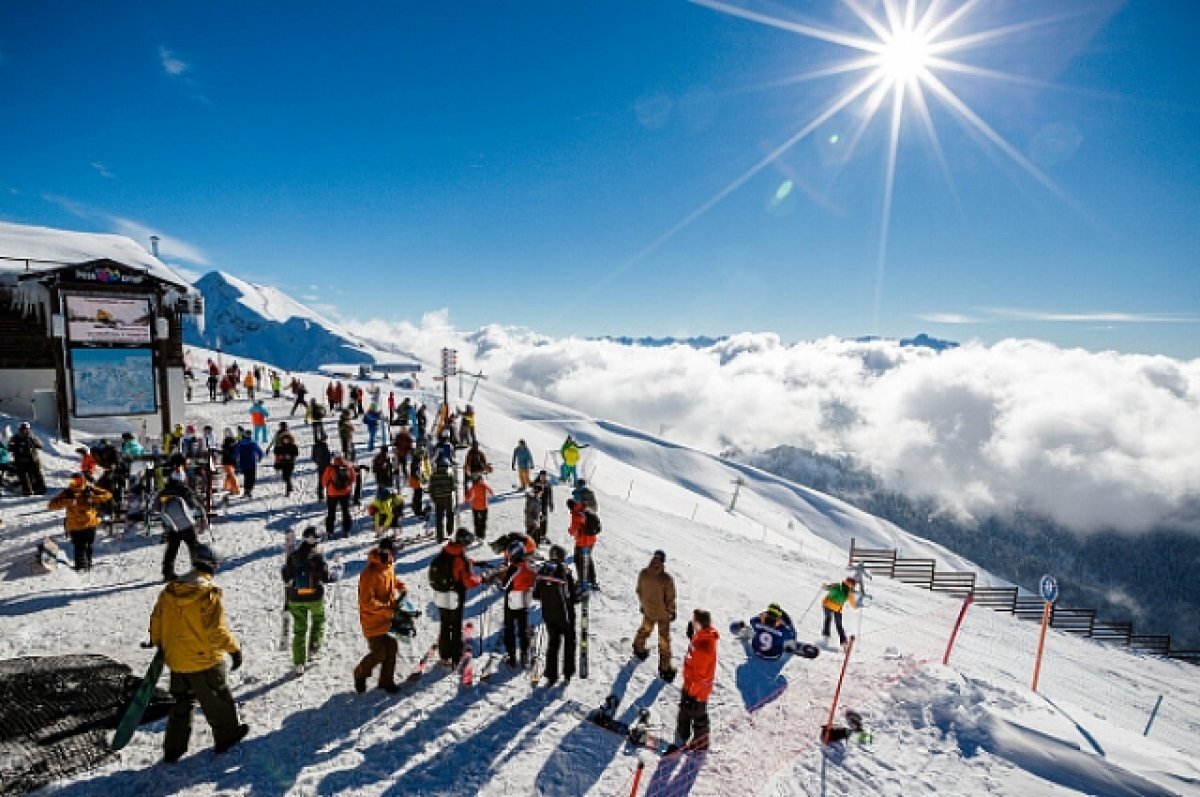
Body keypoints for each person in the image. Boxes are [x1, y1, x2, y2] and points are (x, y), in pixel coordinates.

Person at [149, 544, 248, 762]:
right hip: (204, 661)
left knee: (181, 704)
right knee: (218, 699)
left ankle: (173, 749)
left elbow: (156, 621)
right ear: (213, 565)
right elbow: (215, 631)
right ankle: (227, 736)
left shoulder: (171, 589)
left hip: (176, 660)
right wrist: (234, 649)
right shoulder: (208, 593)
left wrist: (160, 644)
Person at [282, 527, 337, 675]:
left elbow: (286, 576)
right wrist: (335, 576)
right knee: (318, 619)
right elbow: (326, 578)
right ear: (317, 540)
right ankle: (314, 647)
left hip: (295, 597)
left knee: (299, 630)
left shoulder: (293, 555)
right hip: (314, 596)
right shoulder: (318, 556)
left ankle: (299, 663)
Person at [354, 537, 404, 693]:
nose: (395, 555)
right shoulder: (368, 574)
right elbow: (367, 602)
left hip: (388, 616)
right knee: (379, 653)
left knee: (392, 648)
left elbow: (391, 579)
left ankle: (386, 681)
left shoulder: (388, 565)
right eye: (393, 552)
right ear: (385, 552)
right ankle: (360, 673)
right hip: (373, 620)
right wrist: (387, 609)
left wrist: (400, 586)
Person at [433, 528, 484, 666]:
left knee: (445, 623)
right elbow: (469, 581)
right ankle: (455, 656)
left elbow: (454, 565)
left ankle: (444, 655)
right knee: (455, 625)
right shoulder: (462, 560)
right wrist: (481, 579)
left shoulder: (445, 551)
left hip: (441, 593)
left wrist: (472, 563)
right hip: (455, 596)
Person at [47, 474, 112, 571]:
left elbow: (108, 495)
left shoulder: (90, 489)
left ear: (83, 480)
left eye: (79, 480)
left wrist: (93, 499)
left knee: (89, 545)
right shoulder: (67, 492)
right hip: (75, 525)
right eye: (74, 481)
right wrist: (67, 502)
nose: (77, 483)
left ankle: (87, 564)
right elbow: (51, 505)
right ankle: (80, 566)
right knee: (79, 546)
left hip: (90, 523)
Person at [675, 609, 718, 751]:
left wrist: (692, 695)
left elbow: (700, 677)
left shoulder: (703, 648)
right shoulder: (702, 636)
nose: (692, 623)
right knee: (684, 711)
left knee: (698, 716)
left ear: (699, 624)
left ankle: (700, 744)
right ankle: (682, 733)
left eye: (694, 621)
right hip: (690, 683)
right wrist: (693, 637)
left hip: (697, 690)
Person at [535, 544, 577, 685]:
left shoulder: (543, 570)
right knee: (569, 641)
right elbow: (572, 596)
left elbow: (536, 594)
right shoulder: (565, 572)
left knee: (553, 642)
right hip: (565, 615)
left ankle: (551, 675)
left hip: (548, 614)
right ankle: (567, 672)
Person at [633, 549, 677, 681]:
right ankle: (665, 668)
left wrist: (643, 605)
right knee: (664, 640)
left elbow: (639, 591)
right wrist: (671, 611)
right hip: (662, 614)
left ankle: (639, 648)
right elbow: (670, 598)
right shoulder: (666, 579)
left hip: (648, 611)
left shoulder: (643, 573)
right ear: (663, 561)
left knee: (645, 629)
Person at [158, 471, 205, 581]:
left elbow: (158, 507)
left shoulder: (163, 492)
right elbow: (193, 504)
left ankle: (167, 572)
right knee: (193, 545)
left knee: (172, 548)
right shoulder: (184, 490)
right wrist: (200, 515)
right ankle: (197, 569)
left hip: (171, 524)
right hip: (186, 523)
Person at [499, 541, 537, 667]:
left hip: (512, 602)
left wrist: (501, 577)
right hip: (525, 600)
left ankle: (512, 657)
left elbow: (504, 586)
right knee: (523, 629)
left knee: (509, 629)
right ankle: (524, 654)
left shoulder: (514, 568)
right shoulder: (528, 566)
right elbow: (533, 579)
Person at [566, 499, 599, 587]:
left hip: (582, 542)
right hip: (592, 539)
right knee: (588, 559)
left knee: (579, 561)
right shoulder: (585, 508)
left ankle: (582, 581)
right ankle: (592, 581)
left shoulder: (575, 514)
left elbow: (574, 530)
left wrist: (570, 531)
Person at [322, 455, 356, 538]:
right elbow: (353, 479)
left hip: (332, 494)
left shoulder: (330, 468)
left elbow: (324, 482)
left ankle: (330, 532)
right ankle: (346, 531)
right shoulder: (348, 467)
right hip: (345, 493)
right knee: (345, 512)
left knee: (331, 513)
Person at [9, 422, 46, 496]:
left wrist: (14, 449)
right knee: (37, 474)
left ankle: (27, 491)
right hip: (32, 459)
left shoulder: (15, 437)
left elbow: (9, 447)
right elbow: (41, 445)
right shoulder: (31, 436)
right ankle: (41, 489)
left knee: (24, 476)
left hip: (20, 460)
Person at [820, 577, 858, 649]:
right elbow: (853, 605)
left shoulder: (837, 585)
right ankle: (843, 642)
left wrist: (823, 585)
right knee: (839, 625)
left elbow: (827, 587)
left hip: (827, 604)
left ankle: (825, 637)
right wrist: (857, 605)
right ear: (852, 585)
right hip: (837, 608)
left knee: (828, 619)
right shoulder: (849, 593)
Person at [427, 460, 457, 543]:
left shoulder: (433, 476)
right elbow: (453, 488)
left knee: (439, 518)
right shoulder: (449, 475)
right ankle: (449, 531)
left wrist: (433, 498)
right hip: (447, 498)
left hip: (438, 499)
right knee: (450, 514)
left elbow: (431, 489)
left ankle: (440, 537)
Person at [233, 430, 264, 499]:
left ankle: (246, 491)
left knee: (247, 477)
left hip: (243, 462)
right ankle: (249, 491)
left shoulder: (241, 443)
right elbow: (260, 451)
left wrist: (233, 459)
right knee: (251, 477)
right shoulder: (253, 443)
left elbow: (236, 452)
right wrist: (260, 458)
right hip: (251, 462)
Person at [272, 422, 299, 496]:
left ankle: (288, 491)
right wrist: (279, 457)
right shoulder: (280, 446)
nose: (286, 440)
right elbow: (276, 452)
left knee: (287, 476)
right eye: (284, 439)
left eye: (287, 439)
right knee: (285, 477)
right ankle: (290, 486)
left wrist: (290, 456)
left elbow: (296, 453)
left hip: (290, 463)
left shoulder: (293, 446)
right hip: (283, 463)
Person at [464, 475, 494, 540]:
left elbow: (468, 497)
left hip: (475, 506)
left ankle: (477, 534)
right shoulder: (484, 486)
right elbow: (491, 492)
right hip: (483, 506)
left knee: (476, 521)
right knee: (483, 521)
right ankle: (482, 535)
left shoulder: (473, 486)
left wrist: (466, 499)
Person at [407, 448, 429, 519]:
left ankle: (415, 508)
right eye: (422, 454)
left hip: (415, 481)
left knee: (417, 495)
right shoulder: (416, 461)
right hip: (416, 481)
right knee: (418, 496)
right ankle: (418, 511)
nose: (423, 456)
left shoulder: (417, 460)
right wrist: (420, 478)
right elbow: (415, 472)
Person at [534, 470, 554, 541]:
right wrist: (539, 488)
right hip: (537, 504)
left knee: (544, 519)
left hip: (544, 504)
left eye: (544, 476)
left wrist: (551, 503)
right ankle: (536, 534)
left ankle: (543, 534)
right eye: (542, 476)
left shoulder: (548, 484)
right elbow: (533, 492)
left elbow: (550, 494)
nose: (543, 477)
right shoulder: (536, 482)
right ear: (539, 476)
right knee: (537, 520)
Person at [220, 429, 240, 496]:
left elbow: (234, 452)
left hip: (229, 462)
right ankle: (228, 487)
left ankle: (236, 489)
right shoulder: (227, 442)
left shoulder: (232, 443)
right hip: (228, 462)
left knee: (231, 475)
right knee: (229, 475)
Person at [312, 434, 332, 502]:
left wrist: (318, 463)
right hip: (326, 466)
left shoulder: (314, 446)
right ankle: (329, 495)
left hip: (320, 466)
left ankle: (320, 496)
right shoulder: (324, 445)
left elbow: (313, 457)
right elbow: (327, 456)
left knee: (320, 481)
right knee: (329, 481)